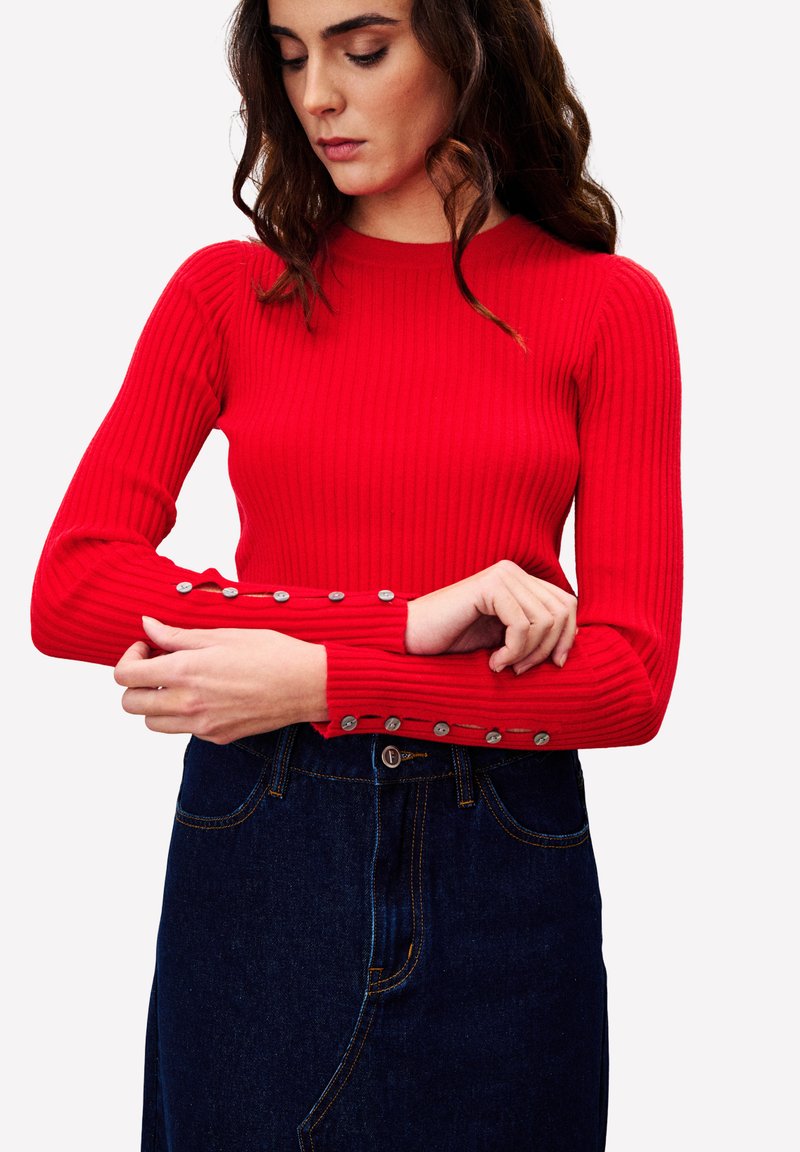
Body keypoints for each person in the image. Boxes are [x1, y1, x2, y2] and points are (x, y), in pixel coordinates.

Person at [30, 0, 682, 1148]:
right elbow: (75, 588)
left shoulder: (604, 308)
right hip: (264, 846)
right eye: (289, 58)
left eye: (361, 49)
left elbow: (624, 682)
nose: (316, 95)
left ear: (470, 44)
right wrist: (407, 621)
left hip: (500, 860)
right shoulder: (228, 295)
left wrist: (327, 681)